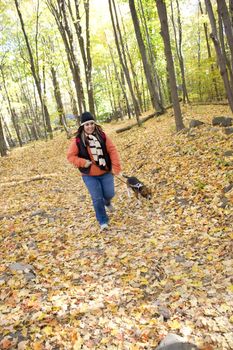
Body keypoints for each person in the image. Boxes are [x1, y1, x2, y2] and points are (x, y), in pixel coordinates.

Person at [67, 112, 121, 230]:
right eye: (87, 124)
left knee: (109, 194)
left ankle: (107, 202)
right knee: (97, 198)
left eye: (92, 123)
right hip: (89, 175)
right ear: (82, 126)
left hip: (105, 171)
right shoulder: (78, 141)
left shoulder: (102, 136)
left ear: (95, 124)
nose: (90, 126)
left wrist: (115, 167)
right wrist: (82, 162)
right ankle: (103, 221)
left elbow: (112, 151)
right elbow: (70, 156)